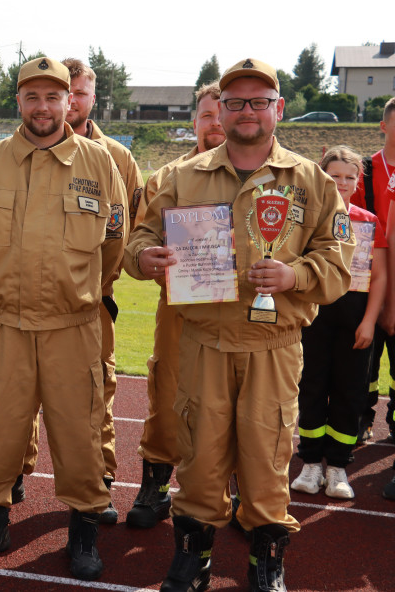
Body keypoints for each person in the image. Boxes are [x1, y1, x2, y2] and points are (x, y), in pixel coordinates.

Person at [125, 58, 354, 592]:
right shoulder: (182, 177)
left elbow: (339, 264)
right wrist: (146, 259)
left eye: (258, 101)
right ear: (219, 110)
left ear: (278, 109)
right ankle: (193, 555)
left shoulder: (312, 182)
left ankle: (266, 559)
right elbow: (138, 238)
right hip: (203, 340)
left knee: (267, 456)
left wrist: (294, 275)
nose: (246, 111)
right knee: (200, 455)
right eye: (234, 102)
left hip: (273, 345)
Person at [0, 57, 126, 581]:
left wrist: (84, 292)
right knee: (1, 428)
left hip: (73, 324)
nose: (44, 107)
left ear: (69, 102)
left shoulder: (100, 163)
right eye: (33, 96)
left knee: (78, 431)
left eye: (55, 97)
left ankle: (83, 525)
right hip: (7, 321)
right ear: (19, 102)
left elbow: (113, 244)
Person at [126, 82, 225, 527]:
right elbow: (138, 238)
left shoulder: (262, 178)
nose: (217, 124)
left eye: (224, 114)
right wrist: (147, 259)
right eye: (207, 115)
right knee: (166, 391)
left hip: (238, 314)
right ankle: (157, 482)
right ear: (195, 122)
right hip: (179, 306)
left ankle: (234, 489)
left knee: (232, 402)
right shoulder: (167, 178)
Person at [62, 57, 144, 523]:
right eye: (63, 91)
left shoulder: (117, 157)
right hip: (26, 302)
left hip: (94, 302)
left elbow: (126, 234)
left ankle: (101, 482)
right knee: (16, 397)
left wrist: (99, 286)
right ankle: (12, 479)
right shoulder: (10, 155)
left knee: (98, 394)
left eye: (79, 92)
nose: (70, 101)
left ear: (93, 98)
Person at [290, 146, 385, 501]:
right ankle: (311, 463)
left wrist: (369, 322)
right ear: (321, 175)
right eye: (334, 175)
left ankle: (338, 466)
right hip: (314, 317)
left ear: (358, 181)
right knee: (311, 387)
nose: (341, 182)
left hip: (355, 319)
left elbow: (379, 278)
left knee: (350, 391)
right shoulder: (306, 218)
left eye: (349, 176)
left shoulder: (369, 220)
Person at [352, 95, 395, 443]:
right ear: (383, 126)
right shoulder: (365, 171)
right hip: (367, 282)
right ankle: (361, 418)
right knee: (364, 362)